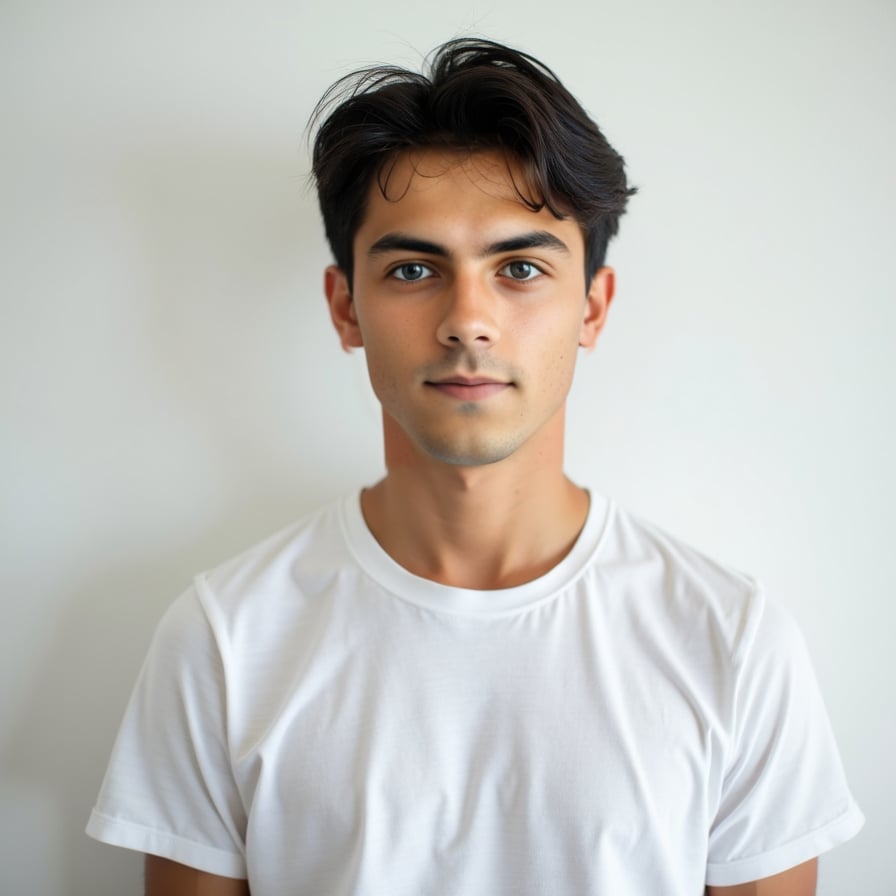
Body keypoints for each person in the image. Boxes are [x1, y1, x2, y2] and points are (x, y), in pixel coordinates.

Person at [86, 38, 863, 896]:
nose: (468, 320)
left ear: (592, 310)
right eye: (414, 269)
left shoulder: (732, 641)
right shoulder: (225, 639)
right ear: (346, 307)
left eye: (521, 268)